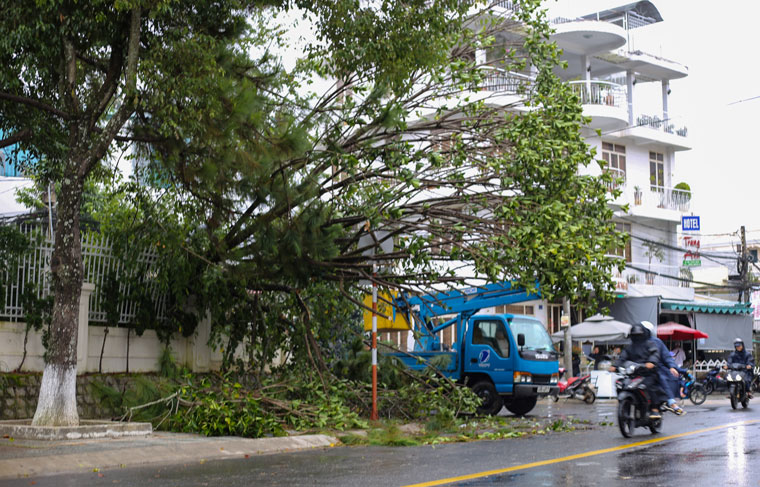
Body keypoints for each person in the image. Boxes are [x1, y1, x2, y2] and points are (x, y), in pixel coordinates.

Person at [610, 322, 664, 419]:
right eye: (635, 335)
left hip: (647, 373)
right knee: (620, 384)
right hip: (632, 374)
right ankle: (626, 405)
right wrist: (615, 365)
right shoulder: (630, 347)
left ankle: (655, 409)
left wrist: (651, 362)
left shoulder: (650, 344)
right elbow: (622, 357)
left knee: (648, 386)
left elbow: (654, 353)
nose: (637, 337)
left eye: (638, 335)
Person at [641, 321, 685, 416]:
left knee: (661, 378)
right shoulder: (635, 343)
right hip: (638, 370)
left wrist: (672, 367)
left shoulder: (657, 342)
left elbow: (666, 357)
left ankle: (671, 403)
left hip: (655, 369)